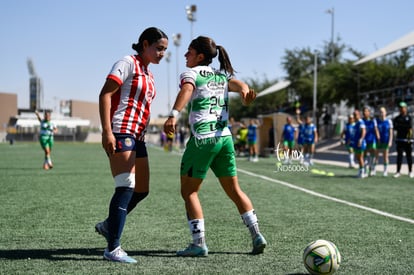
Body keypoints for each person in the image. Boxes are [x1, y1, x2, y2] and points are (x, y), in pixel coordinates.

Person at [163, 36, 266, 257]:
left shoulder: (192, 73)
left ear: (200, 56)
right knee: (235, 191)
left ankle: (199, 244)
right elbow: (237, 84)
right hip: (225, 138)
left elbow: (187, 91)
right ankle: (257, 234)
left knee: (189, 191)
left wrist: (173, 115)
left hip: (203, 139)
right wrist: (246, 91)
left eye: (189, 52)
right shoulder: (220, 75)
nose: (185, 55)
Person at [95, 27, 168, 263]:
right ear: (144, 44)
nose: (162, 53)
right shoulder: (127, 62)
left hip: (138, 136)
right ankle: (112, 248)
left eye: (165, 50)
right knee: (126, 186)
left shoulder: (148, 73)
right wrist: (107, 132)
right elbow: (105, 95)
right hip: (120, 130)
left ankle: (109, 225)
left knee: (142, 190)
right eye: (158, 48)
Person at [393, 101, 413, 178]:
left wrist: (410, 138)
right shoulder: (397, 118)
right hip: (399, 139)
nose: (402, 109)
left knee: (409, 156)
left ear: (406, 108)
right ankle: (398, 171)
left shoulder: (409, 117)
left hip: (408, 140)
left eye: (403, 107)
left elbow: (410, 128)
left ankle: (410, 171)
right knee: (399, 156)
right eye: (400, 108)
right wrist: (404, 126)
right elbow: (396, 127)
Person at [375, 107, 393, 176]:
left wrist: (390, 141)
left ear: (385, 113)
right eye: (380, 112)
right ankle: (374, 169)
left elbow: (390, 132)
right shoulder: (376, 121)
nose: (381, 113)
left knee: (385, 156)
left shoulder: (389, 121)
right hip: (378, 141)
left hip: (385, 140)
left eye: (382, 112)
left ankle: (385, 171)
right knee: (376, 156)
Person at [362, 107, 379, 176]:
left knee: (373, 153)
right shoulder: (362, 121)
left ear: (369, 112)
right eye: (364, 111)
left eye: (366, 111)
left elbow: (375, 129)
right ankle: (365, 170)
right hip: (364, 140)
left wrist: (378, 136)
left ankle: (372, 168)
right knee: (364, 154)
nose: (364, 113)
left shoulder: (373, 120)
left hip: (372, 139)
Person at [351, 110, 367, 178]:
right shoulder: (356, 123)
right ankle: (360, 170)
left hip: (360, 143)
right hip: (355, 142)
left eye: (356, 114)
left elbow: (364, 131)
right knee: (358, 157)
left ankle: (363, 172)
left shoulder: (361, 122)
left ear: (359, 115)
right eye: (354, 114)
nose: (355, 116)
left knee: (360, 157)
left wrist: (361, 139)